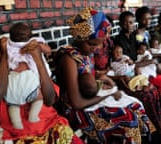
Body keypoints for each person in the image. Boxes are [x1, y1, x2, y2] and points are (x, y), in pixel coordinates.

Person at [54, 8, 153, 144]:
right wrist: (107, 95)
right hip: (75, 108)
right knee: (129, 122)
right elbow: (76, 103)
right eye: (93, 44)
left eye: (100, 43)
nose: (97, 48)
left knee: (137, 108)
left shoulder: (86, 53)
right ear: (79, 38)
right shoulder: (70, 58)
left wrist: (105, 81)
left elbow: (91, 77)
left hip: (91, 96)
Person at [0, 27, 83, 143]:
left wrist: (38, 59)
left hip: (51, 126)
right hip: (18, 136)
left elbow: (50, 100)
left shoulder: (26, 57)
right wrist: (4, 55)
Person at [5, 22, 53, 129]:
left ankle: (16, 122)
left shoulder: (8, 44)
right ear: (30, 35)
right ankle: (33, 115)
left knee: (13, 103)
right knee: (39, 98)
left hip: (13, 79)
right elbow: (48, 50)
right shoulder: (34, 42)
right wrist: (40, 46)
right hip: (29, 79)